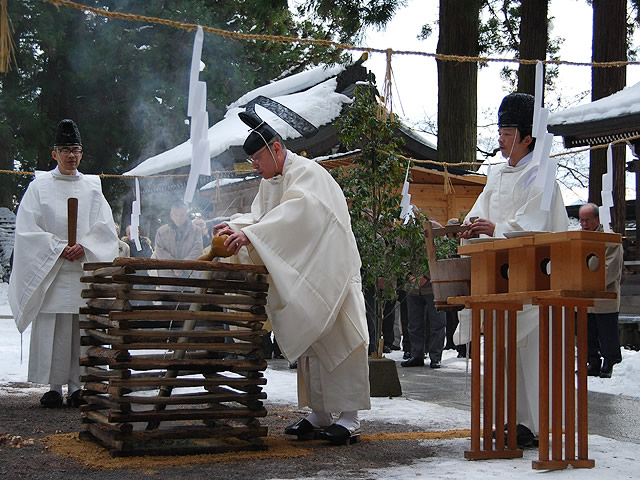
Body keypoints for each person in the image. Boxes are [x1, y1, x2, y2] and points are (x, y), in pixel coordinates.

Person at [212, 109, 370, 445]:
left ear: (277, 149)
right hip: (308, 274)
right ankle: (321, 412)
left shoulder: (307, 173)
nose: (255, 166)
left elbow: (300, 214)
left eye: (257, 158)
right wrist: (237, 227)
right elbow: (263, 218)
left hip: (333, 270)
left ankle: (350, 416)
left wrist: (253, 234)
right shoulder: (271, 182)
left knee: (340, 340)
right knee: (313, 342)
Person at [457, 93, 569, 447]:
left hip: (536, 281)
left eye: (507, 134)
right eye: (501, 133)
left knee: (535, 355)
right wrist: (470, 225)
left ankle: (543, 425)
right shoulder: (497, 174)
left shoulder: (543, 177)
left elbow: (536, 224)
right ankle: (514, 421)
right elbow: (477, 212)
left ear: (527, 137)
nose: (501, 141)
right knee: (505, 353)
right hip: (501, 279)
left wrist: (496, 228)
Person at [8, 119, 118, 408]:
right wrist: (57, 248)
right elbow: (27, 228)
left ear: (82, 154)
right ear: (54, 153)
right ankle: (54, 387)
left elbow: (106, 228)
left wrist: (86, 246)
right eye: (66, 149)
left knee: (80, 328)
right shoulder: (39, 186)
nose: (72, 155)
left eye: (76, 150)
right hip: (52, 269)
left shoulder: (93, 186)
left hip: (82, 267)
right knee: (53, 328)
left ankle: (79, 386)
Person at [579, 202, 623, 378]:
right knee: (589, 332)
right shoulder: (581, 238)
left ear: (597, 219)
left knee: (607, 331)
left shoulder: (610, 239)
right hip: (584, 294)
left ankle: (609, 362)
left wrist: (591, 284)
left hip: (604, 294)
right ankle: (593, 361)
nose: (584, 225)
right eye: (581, 221)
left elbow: (610, 268)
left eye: (587, 220)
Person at [401, 273, 446, 369]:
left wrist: (426, 276)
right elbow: (401, 262)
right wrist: (409, 276)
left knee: (437, 323)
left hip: (434, 286)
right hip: (412, 287)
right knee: (414, 324)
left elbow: (441, 259)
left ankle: (435, 357)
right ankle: (416, 355)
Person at [153, 202, 203, 279]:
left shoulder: (196, 230)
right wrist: (174, 265)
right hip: (167, 275)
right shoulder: (161, 231)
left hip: (190, 273)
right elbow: (160, 251)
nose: (178, 218)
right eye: (175, 215)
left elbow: (197, 249)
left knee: (190, 290)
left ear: (186, 215)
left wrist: (183, 265)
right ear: (171, 215)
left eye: (182, 215)